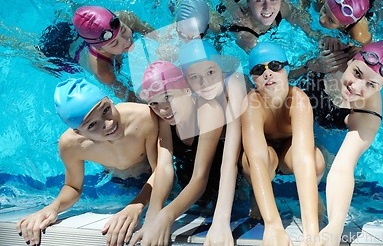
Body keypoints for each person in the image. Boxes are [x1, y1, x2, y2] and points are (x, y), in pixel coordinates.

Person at [16, 78, 160, 246]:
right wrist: (52, 207)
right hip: (114, 180)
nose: (109, 123)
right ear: (78, 132)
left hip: (151, 177)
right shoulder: (71, 145)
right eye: (92, 125)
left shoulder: (144, 118)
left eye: (106, 109)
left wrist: (137, 204)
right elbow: (73, 187)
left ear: (110, 99)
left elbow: (162, 171)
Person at [131, 41, 247, 246]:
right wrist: (153, 214)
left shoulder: (210, 109)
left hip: (223, 177)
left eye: (168, 97)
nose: (163, 109)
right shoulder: (164, 117)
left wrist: (167, 216)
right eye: (155, 103)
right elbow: (165, 168)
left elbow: (202, 177)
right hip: (190, 178)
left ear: (185, 90)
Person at [296, 41, 383, 245]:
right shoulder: (332, 53)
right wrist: (311, 66)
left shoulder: (369, 112)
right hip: (304, 101)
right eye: (357, 73)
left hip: (333, 124)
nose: (356, 87)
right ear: (351, 60)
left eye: (371, 84)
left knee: (328, 161)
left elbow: (343, 167)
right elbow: (287, 75)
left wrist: (335, 227)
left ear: (382, 86)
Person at [241, 42, 325, 245]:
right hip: (265, 155)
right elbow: (258, 160)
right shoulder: (251, 103)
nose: (268, 73)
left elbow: (303, 159)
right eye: (259, 70)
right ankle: (258, 194)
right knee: (249, 163)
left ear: (287, 70)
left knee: (316, 160)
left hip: (289, 152)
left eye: (275, 65)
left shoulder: (299, 99)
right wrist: (273, 225)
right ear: (253, 79)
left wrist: (311, 229)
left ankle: (313, 195)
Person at [221, 0, 322, 53]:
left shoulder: (283, 7)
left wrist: (323, 39)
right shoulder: (246, 36)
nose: (267, 7)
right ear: (248, 2)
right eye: (259, 0)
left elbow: (310, 31)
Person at [71, 6, 156, 101]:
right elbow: (132, 98)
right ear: (101, 49)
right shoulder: (103, 71)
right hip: (69, 53)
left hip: (91, 35)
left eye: (123, 30)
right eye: (115, 43)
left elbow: (156, 35)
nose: (126, 41)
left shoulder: (124, 18)